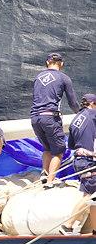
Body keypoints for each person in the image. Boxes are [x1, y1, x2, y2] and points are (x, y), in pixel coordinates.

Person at [31, 53, 80, 187]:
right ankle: (50, 181)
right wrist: (81, 114)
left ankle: (44, 173)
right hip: (50, 117)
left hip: (35, 117)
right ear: (61, 64)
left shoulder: (38, 77)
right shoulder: (64, 78)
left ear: (47, 62)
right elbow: (73, 102)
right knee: (58, 151)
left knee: (46, 148)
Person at [67, 94, 96, 232]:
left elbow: (71, 145)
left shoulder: (75, 120)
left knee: (89, 192)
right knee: (88, 194)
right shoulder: (92, 114)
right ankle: (68, 225)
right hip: (88, 161)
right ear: (93, 104)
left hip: (79, 161)